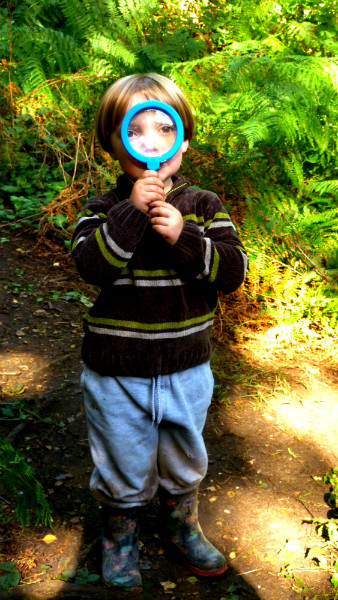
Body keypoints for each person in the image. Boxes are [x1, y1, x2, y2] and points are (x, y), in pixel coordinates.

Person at [71, 72, 248, 592]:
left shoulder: (206, 205)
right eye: (136, 131)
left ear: (183, 141)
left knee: (183, 455)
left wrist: (184, 236)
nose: (150, 143)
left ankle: (180, 525)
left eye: (163, 129)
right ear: (115, 143)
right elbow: (91, 266)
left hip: (186, 365)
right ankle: (119, 537)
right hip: (115, 369)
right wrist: (131, 213)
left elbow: (232, 273)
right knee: (122, 458)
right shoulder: (103, 209)